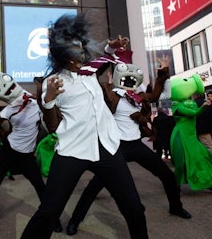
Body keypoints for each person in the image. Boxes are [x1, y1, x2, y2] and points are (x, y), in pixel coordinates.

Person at [20, 13, 149, 239]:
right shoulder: (53, 82)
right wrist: (49, 99)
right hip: (73, 151)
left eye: (81, 47)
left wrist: (112, 47)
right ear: (63, 55)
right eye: (74, 50)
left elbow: (104, 57)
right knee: (48, 212)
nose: (81, 53)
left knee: (135, 209)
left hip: (107, 147)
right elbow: (51, 127)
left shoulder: (89, 71)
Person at [65, 43, 191, 236]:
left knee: (167, 175)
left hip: (135, 145)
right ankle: (75, 220)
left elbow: (157, 94)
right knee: (95, 186)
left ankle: (175, 206)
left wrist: (164, 70)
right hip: (116, 148)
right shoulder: (111, 95)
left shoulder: (138, 96)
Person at [0, 72, 62, 239]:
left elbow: (48, 119)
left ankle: (54, 222)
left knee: (42, 189)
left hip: (27, 156)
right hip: (8, 152)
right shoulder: (8, 109)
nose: (8, 86)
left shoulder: (36, 100)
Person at [169, 74, 212, 194]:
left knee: (204, 157)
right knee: (181, 162)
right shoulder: (176, 105)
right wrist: (203, 107)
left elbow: (194, 110)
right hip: (180, 135)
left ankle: (209, 182)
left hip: (192, 136)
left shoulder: (190, 102)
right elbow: (192, 113)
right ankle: (175, 185)